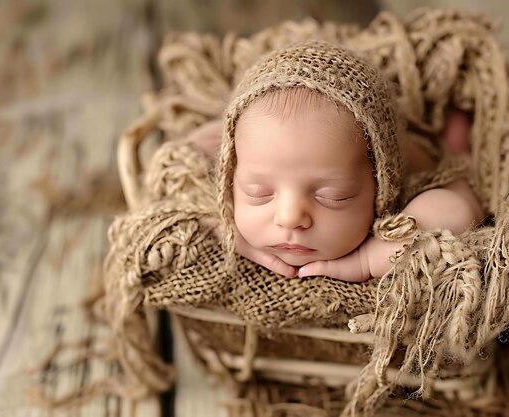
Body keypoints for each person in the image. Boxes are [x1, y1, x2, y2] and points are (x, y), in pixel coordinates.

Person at [189, 41, 483, 283]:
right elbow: (181, 162)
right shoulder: (244, 142)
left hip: (420, 150)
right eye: (258, 192)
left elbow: (460, 212)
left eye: (332, 197)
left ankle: (454, 136)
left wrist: (369, 259)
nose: (289, 218)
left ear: (378, 185)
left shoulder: (402, 188)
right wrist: (225, 229)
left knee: (454, 146)